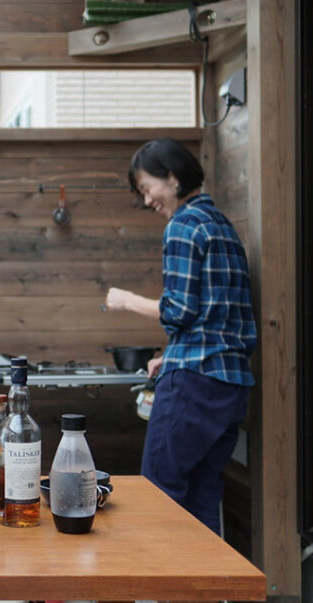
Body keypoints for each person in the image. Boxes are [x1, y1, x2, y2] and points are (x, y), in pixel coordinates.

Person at [104, 138, 256, 535]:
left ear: (171, 177)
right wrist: (170, 354)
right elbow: (214, 312)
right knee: (203, 495)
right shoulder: (221, 225)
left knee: (159, 493)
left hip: (194, 383)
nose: (147, 200)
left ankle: (156, 593)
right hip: (231, 385)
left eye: (146, 188)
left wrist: (127, 300)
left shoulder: (183, 226)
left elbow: (180, 310)